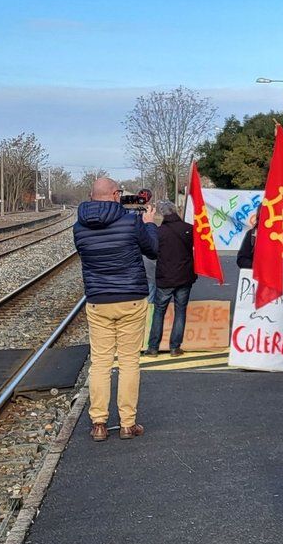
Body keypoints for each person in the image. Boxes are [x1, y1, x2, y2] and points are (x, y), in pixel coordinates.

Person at [73, 177, 159, 442]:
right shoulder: (132, 222)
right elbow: (153, 251)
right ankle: (127, 424)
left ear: (91, 195)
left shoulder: (78, 228)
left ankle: (98, 423)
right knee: (129, 361)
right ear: (115, 194)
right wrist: (149, 226)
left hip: (98, 299)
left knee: (100, 362)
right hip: (131, 297)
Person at [143, 201, 196, 358]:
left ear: (162, 214)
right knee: (180, 311)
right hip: (185, 277)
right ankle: (175, 348)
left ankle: (153, 348)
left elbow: (152, 253)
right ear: (175, 211)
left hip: (165, 278)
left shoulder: (159, 232)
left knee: (159, 311)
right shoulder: (189, 229)